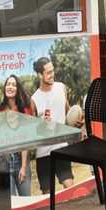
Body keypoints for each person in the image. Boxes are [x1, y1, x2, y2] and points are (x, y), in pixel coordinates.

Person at [30, 57, 73, 194]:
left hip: (61, 147)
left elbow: (68, 112)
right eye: (48, 72)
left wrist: (77, 120)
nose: (52, 74)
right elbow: (33, 130)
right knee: (48, 196)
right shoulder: (34, 99)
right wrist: (42, 126)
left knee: (70, 188)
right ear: (40, 75)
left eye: (52, 71)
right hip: (43, 153)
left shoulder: (61, 88)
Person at [0, 74, 34, 196]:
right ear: (4, 88)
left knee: (26, 199)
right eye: (8, 84)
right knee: (11, 202)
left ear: (18, 89)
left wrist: (24, 166)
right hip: (4, 162)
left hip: (21, 160)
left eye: (14, 85)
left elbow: (26, 138)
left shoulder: (24, 111)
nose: (10, 87)